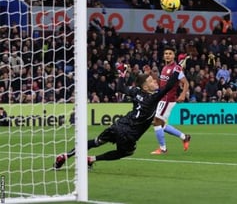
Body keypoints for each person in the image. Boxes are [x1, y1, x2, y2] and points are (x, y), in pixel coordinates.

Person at [53, 58, 188, 169]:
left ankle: (65, 156)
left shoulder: (136, 92)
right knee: (126, 152)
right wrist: (177, 69)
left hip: (119, 125)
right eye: (151, 81)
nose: (155, 81)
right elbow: (169, 86)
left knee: (96, 141)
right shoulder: (152, 98)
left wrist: (122, 75)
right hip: (129, 134)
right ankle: (92, 159)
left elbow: (120, 88)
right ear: (146, 87)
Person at [150, 46, 191, 155]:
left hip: (168, 99)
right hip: (162, 98)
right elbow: (163, 83)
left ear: (174, 56)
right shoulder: (164, 68)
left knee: (156, 121)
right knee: (161, 124)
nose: (167, 55)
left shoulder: (175, 68)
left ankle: (163, 149)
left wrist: (183, 94)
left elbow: (186, 83)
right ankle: (184, 137)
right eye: (166, 53)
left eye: (170, 53)